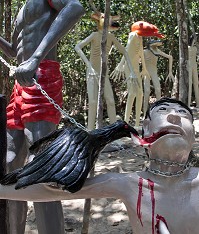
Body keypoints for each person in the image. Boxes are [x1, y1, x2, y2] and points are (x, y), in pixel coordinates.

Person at [0, 97, 197, 234]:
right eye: (163, 111)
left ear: (194, 134)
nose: (174, 116)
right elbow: (51, 192)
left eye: (183, 113)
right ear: (145, 129)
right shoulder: (130, 184)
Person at [0, 0, 84, 234]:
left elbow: (75, 7)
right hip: (20, 86)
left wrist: (36, 58)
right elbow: (14, 52)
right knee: (11, 165)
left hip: (41, 77)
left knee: (40, 168)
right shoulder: (22, 10)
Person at [143, 39, 175, 116]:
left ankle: (159, 111)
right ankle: (144, 114)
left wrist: (170, 72)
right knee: (146, 92)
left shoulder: (157, 51)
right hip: (146, 73)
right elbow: (136, 60)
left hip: (154, 72)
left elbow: (170, 57)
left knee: (158, 90)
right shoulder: (144, 51)